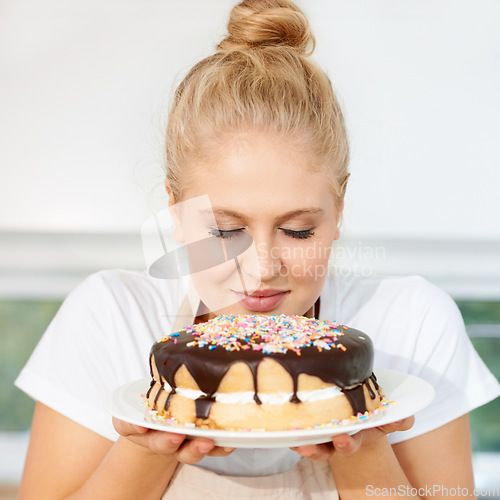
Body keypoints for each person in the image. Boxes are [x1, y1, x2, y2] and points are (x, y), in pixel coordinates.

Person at [16, 1, 500, 498]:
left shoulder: (412, 323)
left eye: (298, 231)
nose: (262, 268)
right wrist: (144, 449)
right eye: (226, 232)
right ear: (175, 211)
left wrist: (364, 449)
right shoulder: (111, 317)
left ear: (339, 209)